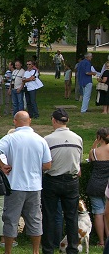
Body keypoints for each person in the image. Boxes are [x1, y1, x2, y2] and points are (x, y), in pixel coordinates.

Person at [0, 111, 52, 254]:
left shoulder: (10, 138)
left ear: (15, 121)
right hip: (34, 185)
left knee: (11, 219)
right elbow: (48, 165)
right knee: (35, 219)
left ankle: (8, 251)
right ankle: (36, 251)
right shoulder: (40, 140)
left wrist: (1, 164)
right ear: (30, 121)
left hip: (15, 185)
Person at [41, 108, 82, 254]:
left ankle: (48, 248)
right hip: (71, 180)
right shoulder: (78, 138)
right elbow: (78, 164)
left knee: (49, 216)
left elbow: (45, 163)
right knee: (72, 217)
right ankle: (72, 249)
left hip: (52, 180)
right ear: (67, 121)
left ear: (53, 120)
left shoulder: (48, 140)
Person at [87, 127, 109, 247]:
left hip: (95, 185)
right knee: (108, 213)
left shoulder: (94, 152)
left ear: (99, 137)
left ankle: (101, 241)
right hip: (108, 185)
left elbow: (90, 159)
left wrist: (96, 143)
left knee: (98, 213)